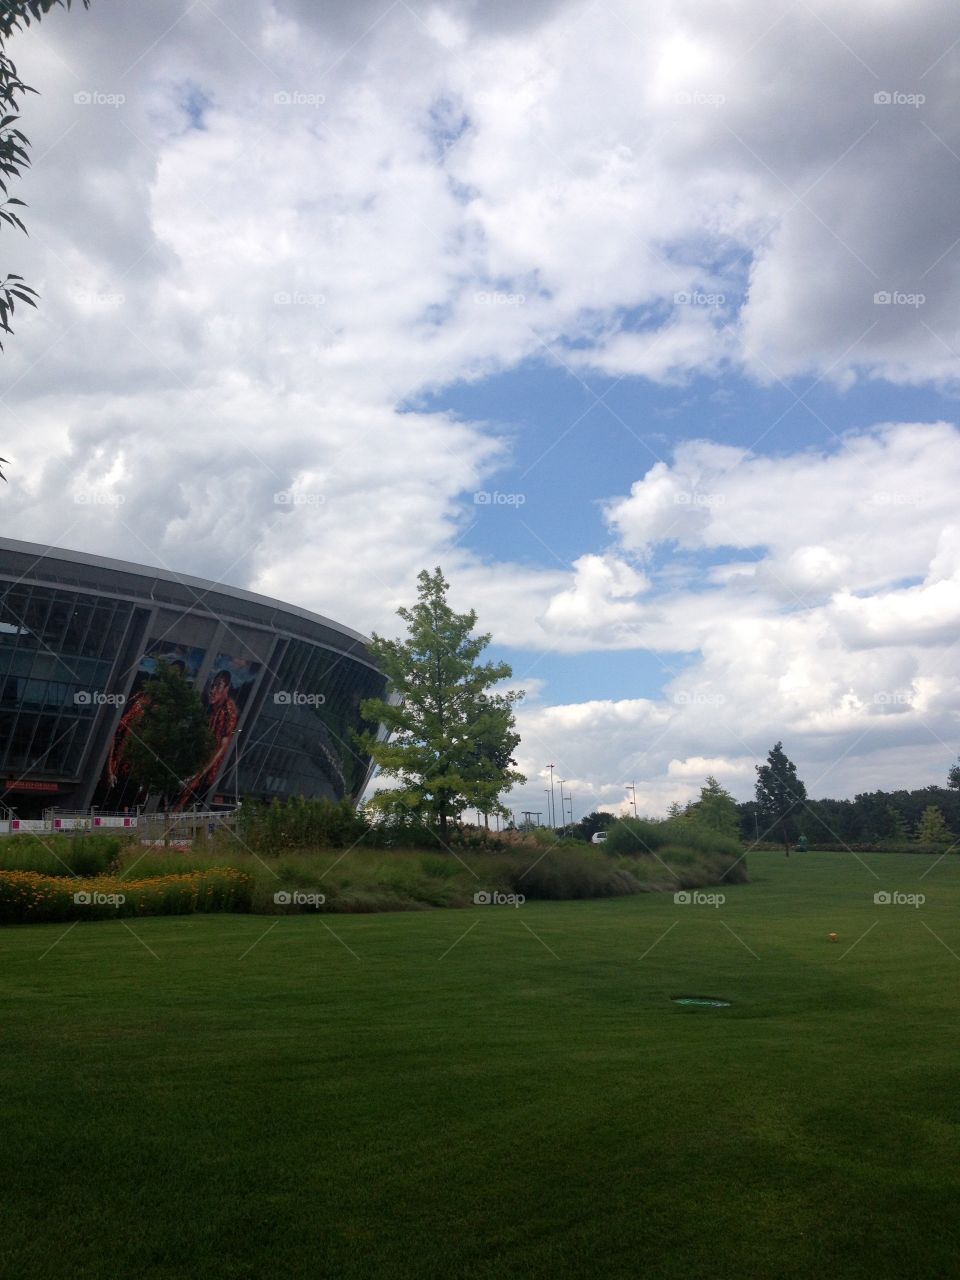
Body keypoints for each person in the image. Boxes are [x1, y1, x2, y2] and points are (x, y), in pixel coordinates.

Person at [177, 670, 239, 807]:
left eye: (218, 686)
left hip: (207, 773)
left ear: (226, 689)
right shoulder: (210, 707)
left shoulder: (228, 711)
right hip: (198, 764)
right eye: (212, 685)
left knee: (185, 804)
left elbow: (223, 747)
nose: (212, 690)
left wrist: (200, 773)